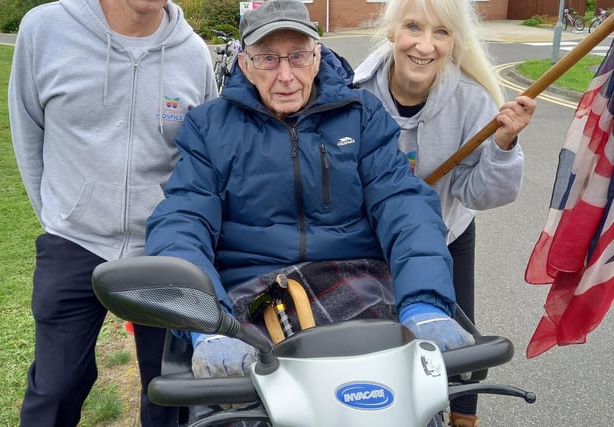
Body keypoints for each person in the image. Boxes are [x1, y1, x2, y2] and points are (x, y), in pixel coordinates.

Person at [146, 0, 473, 425]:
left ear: (317, 55)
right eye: (267, 58)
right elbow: (181, 223)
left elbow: (405, 206)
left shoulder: (361, 116)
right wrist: (206, 320)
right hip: (251, 295)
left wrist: (425, 304)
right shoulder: (208, 128)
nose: (286, 75)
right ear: (244, 63)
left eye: (298, 56)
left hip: (360, 281)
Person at [8, 0, 218, 425]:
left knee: (168, 391)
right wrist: (59, 213)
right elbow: (28, 131)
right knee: (56, 386)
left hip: (161, 247)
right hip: (73, 239)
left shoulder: (193, 53)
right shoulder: (45, 30)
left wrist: (176, 226)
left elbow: (202, 155)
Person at [352, 0, 537, 426]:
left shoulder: (471, 102)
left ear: (454, 42)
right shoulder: (356, 96)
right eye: (413, 27)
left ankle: (462, 418)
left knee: (461, 350)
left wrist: (503, 145)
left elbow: (481, 194)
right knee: (381, 342)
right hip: (372, 240)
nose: (425, 45)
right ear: (391, 33)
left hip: (447, 236)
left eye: (442, 33)